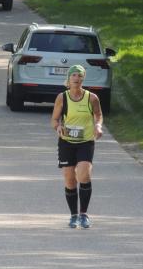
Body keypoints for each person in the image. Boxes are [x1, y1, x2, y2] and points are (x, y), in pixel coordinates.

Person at [50, 65, 103, 229]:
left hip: (85, 142)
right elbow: (54, 119)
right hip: (66, 142)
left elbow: (99, 115)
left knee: (84, 175)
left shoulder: (92, 98)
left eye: (80, 75)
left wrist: (98, 126)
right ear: (69, 78)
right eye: (73, 75)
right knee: (70, 179)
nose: (76, 78)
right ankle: (73, 215)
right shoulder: (62, 97)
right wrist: (58, 127)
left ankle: (84, 214)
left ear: (83, 78)